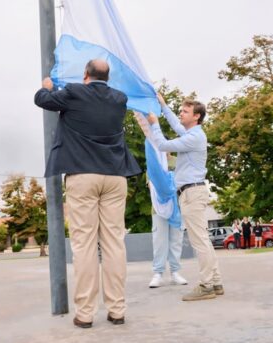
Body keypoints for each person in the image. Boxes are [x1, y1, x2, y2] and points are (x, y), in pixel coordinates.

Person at [34, 59, 141, 329]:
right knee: (114, 243)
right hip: (116, 176)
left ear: (85, 75)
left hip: (83, 175)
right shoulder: (119, 99)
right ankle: (117, 310)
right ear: (108, 77)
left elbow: (42, 100)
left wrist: (46, 86)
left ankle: (85, 313)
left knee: (84, 245)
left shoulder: (73, 91)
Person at [142, 95, 224, 301]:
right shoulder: (192, 133)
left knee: (199, 242)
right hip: (191, 192)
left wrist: (154, 124)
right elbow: (177, 125)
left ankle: (207, 286)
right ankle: (215, 282)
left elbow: (162, 145)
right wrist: (163, 105)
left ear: (196, 117)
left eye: (185, 111)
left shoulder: (194, 137)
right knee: (203, 240)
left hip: (192, 193)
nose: (181, 113)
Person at [149, 209, 188, 288]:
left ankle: (174, 272)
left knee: (176, 242)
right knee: (159, 242)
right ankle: (158, 273)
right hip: (158, 207)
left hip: (178, 207)